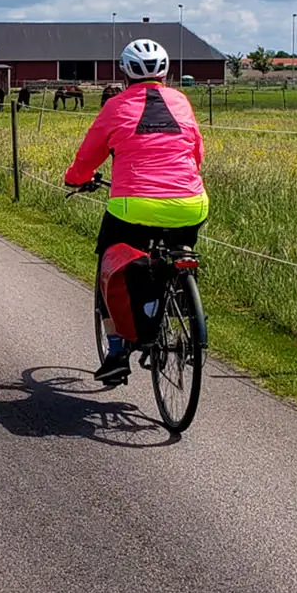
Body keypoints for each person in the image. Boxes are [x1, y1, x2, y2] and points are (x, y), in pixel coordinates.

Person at [62, 38, 206, 385]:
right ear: (166, 73)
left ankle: (116, 351)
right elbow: (196, 153)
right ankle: (181, 298)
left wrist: (75, 179)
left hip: (134, 206)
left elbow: (88, 156)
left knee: (110, 265)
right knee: (178, 250)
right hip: (191, 202)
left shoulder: (115, 106)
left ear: (124, 73)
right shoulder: (181, 101)